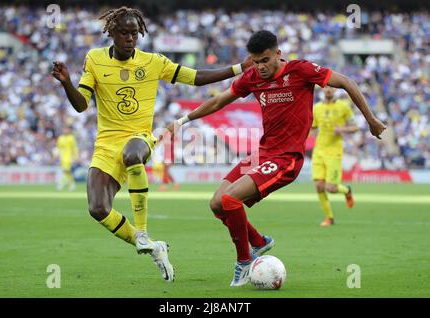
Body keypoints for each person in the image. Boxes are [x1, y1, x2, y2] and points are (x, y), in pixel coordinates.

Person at [163, 30, 386, 287]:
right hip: (262, 153)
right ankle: (259, 242)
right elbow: (220, 101)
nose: (260, 67)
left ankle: (244, 261)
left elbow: (346, 81)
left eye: (265, 60)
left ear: (278, 54)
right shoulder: (252, 77)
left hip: (286, 158)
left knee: (230, 199)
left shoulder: (300, 70)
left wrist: (371, 120)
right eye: (256, 62)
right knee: (216, 203)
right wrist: (182, 120)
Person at [51, 6, 251, 282]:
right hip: (106, 144)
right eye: (124, 33)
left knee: (133, 154)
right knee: (98, 209)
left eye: (134, 33)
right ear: (112, 33)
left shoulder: (153, 62)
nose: (130, 38)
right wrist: (66, 83)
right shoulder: (94, 59)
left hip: (140, 137)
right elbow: (81, 104)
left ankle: (142, 231)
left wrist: (240, 68)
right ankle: (152, 246)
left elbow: (195, 77)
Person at [311, 87, 358, 227]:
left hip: (334, 152)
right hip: (319, 150)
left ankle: (346, 190)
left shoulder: (344, 106)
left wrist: (342, 129)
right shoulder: (316, 108)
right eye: (325, 87)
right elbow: (312, 127)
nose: (328, 90)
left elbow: (355, 127)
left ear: (335, 90)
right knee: (319, 186)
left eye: (331, 87)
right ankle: (329, 218)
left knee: (331, 188)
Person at [55, 126, 78, 191]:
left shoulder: (71, 138)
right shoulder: (60, 138)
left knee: (66, 171)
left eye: (66, 129)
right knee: (67, 172)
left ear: (69, 130)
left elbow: (74, 148)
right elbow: (58, 148)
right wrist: (57, 155)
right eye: (64, 129)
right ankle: (72, 184)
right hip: (62, 158)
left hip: (69, 158)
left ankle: (61, 184)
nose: (65, 131)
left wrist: (75, 157)